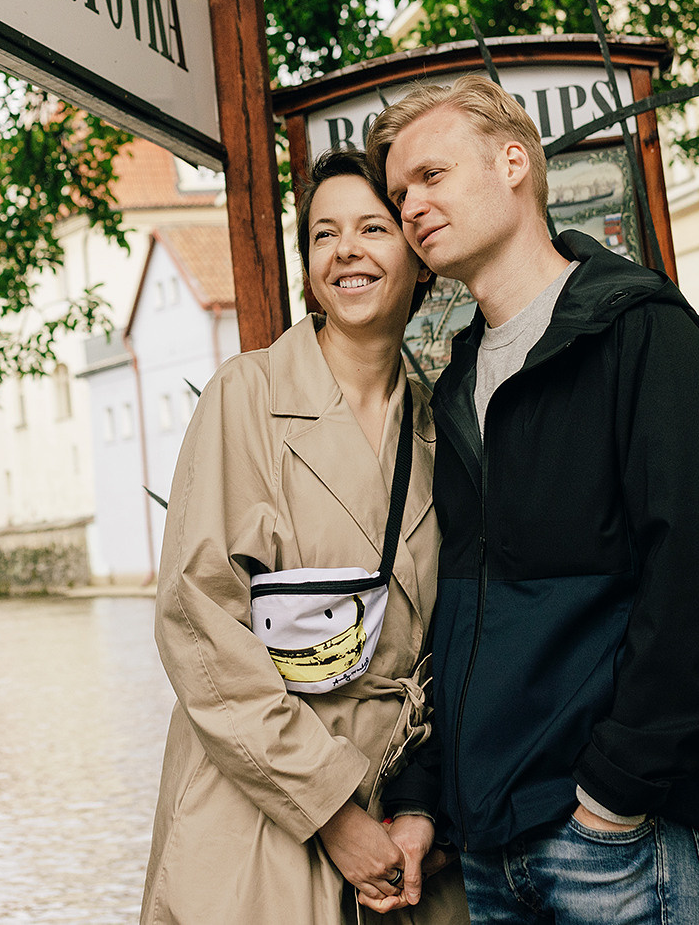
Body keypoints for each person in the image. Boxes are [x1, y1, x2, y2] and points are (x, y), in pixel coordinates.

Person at [366, 76, 699, 925]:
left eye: (431, 175)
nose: (411, 207)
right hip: (490, 851)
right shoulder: (459, 383)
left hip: (614, 846)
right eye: (398, 195)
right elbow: (460, 614)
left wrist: (615, 794)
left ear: (514, 163)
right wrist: (428, 797)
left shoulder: (643, 333)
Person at [143, 150, 468, 925]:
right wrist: (331, 813)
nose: (345, 249)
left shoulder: (441, 428)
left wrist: (422, 808)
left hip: (403, 829)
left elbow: (454, 642)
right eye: (324, 234)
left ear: (420, 259)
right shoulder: (246, 396)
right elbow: (198, 623)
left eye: (372, 229)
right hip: (259, 813)